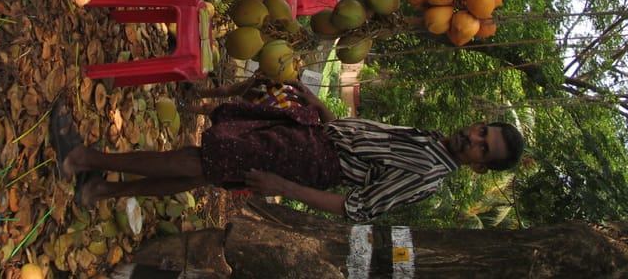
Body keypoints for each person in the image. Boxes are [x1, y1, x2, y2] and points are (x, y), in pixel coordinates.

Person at [50, 82, 524, 222]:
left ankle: (82, 160)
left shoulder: (429, 174)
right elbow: (360, 143)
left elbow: (357, 206)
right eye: (483, 131)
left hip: (305, 163)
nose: (475, 139)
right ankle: (99, 193)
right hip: (312, 139)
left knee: (199, 160)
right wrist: (323, 112)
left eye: (484, 148)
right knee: (204, 173)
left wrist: (284, 188)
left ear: (481, 167)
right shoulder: (430, 141)